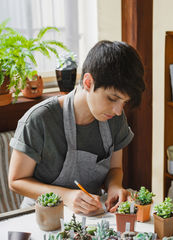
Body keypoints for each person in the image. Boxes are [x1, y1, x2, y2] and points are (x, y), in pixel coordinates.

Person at [8, 40, 145, 216]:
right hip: (40, 216)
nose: (118, 111)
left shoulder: (114, 118)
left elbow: (114, 169)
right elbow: (17, 181)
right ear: (88, 82)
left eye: (124, 102)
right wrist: (66, 196)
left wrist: (115, 186)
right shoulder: (39, 119)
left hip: (89, 216)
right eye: (112, 99)